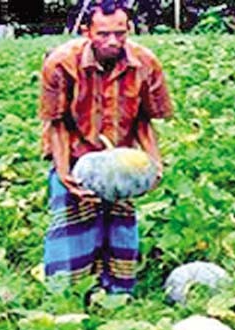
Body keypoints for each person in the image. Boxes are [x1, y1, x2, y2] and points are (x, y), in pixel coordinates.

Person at [39, 0, 173, 296]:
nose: (113, 41)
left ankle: (116, 294)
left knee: (120, 225)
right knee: (72, 226)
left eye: (120, 33)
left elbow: (144, 119)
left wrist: (154, 164)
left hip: (121, 156)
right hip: (75, 154)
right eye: (103, 34)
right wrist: (63, 173)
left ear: (129, 30)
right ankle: (68, 295)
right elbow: (56, 122)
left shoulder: (145, 63)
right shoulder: (61, 63)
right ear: (87, 31)